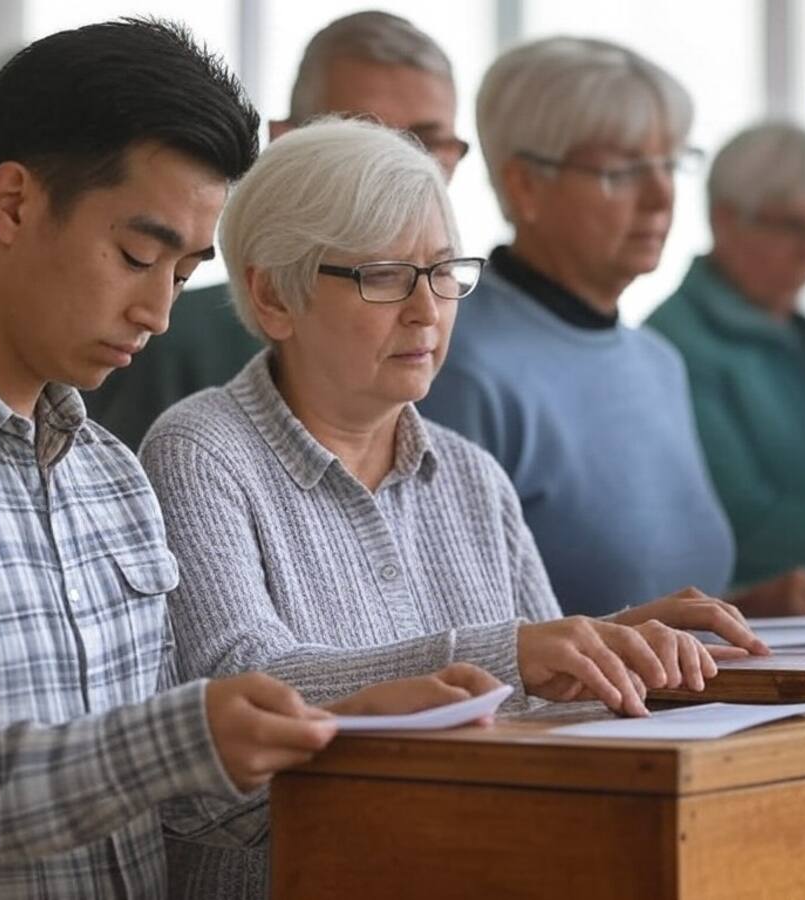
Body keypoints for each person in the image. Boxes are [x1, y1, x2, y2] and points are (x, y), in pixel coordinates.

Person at [0, 21, 486, 900]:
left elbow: (161, 802)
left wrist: (326, 736)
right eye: (136, 256)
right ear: (11, 202)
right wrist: (170, 742)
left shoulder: (108, 473)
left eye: (185, 269)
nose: (159, 310)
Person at [140, 118, 765, 900]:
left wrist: (614, 654)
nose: (427, 312)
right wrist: (512, 652)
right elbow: (242, 682)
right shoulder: (200, 448)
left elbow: (543, 712)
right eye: (384, 277)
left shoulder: (472, 475)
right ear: (273, 295)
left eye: (442, 273)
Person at [419, 37, 805, 618]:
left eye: (670, 163)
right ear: (525, 185)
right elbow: (447, 633)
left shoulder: (656, 360)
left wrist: (745, 609)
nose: (661, 196)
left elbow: (647, 597)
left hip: (693, 707)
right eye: (621, 171)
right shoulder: (456, 363)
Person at [83, 10, 469, 449]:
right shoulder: (165, 342)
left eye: (427, 140)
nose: (397, 164)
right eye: (356, 133)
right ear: (286, 141)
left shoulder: (461, 335)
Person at [648, 122, 805, 606]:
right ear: (725, 220)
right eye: (791, 225)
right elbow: (751, 528)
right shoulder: (675, 347)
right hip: (768, 644)